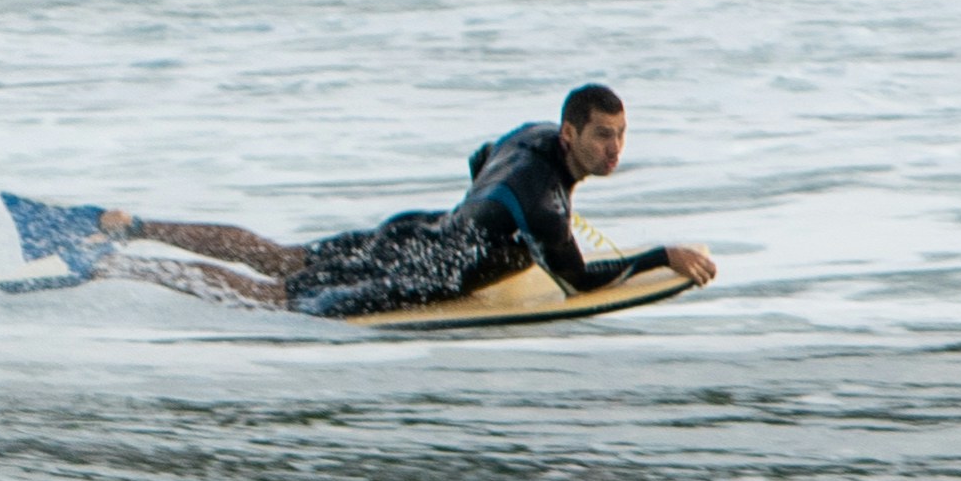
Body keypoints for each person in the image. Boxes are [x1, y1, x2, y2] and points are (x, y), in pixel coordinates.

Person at [39, 84, 713, 316]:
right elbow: (574, 281)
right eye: (601, 138)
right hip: (426, 272)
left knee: (280, 256)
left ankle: (128, 226)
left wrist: (492, 217)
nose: (614, 151)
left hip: (422, 231)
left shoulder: (530, 139)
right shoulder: (543, 202)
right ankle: (115, 267)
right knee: (277, 294)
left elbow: (483, 163)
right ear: (572, 133)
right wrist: (663, 254)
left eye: (621, 137)